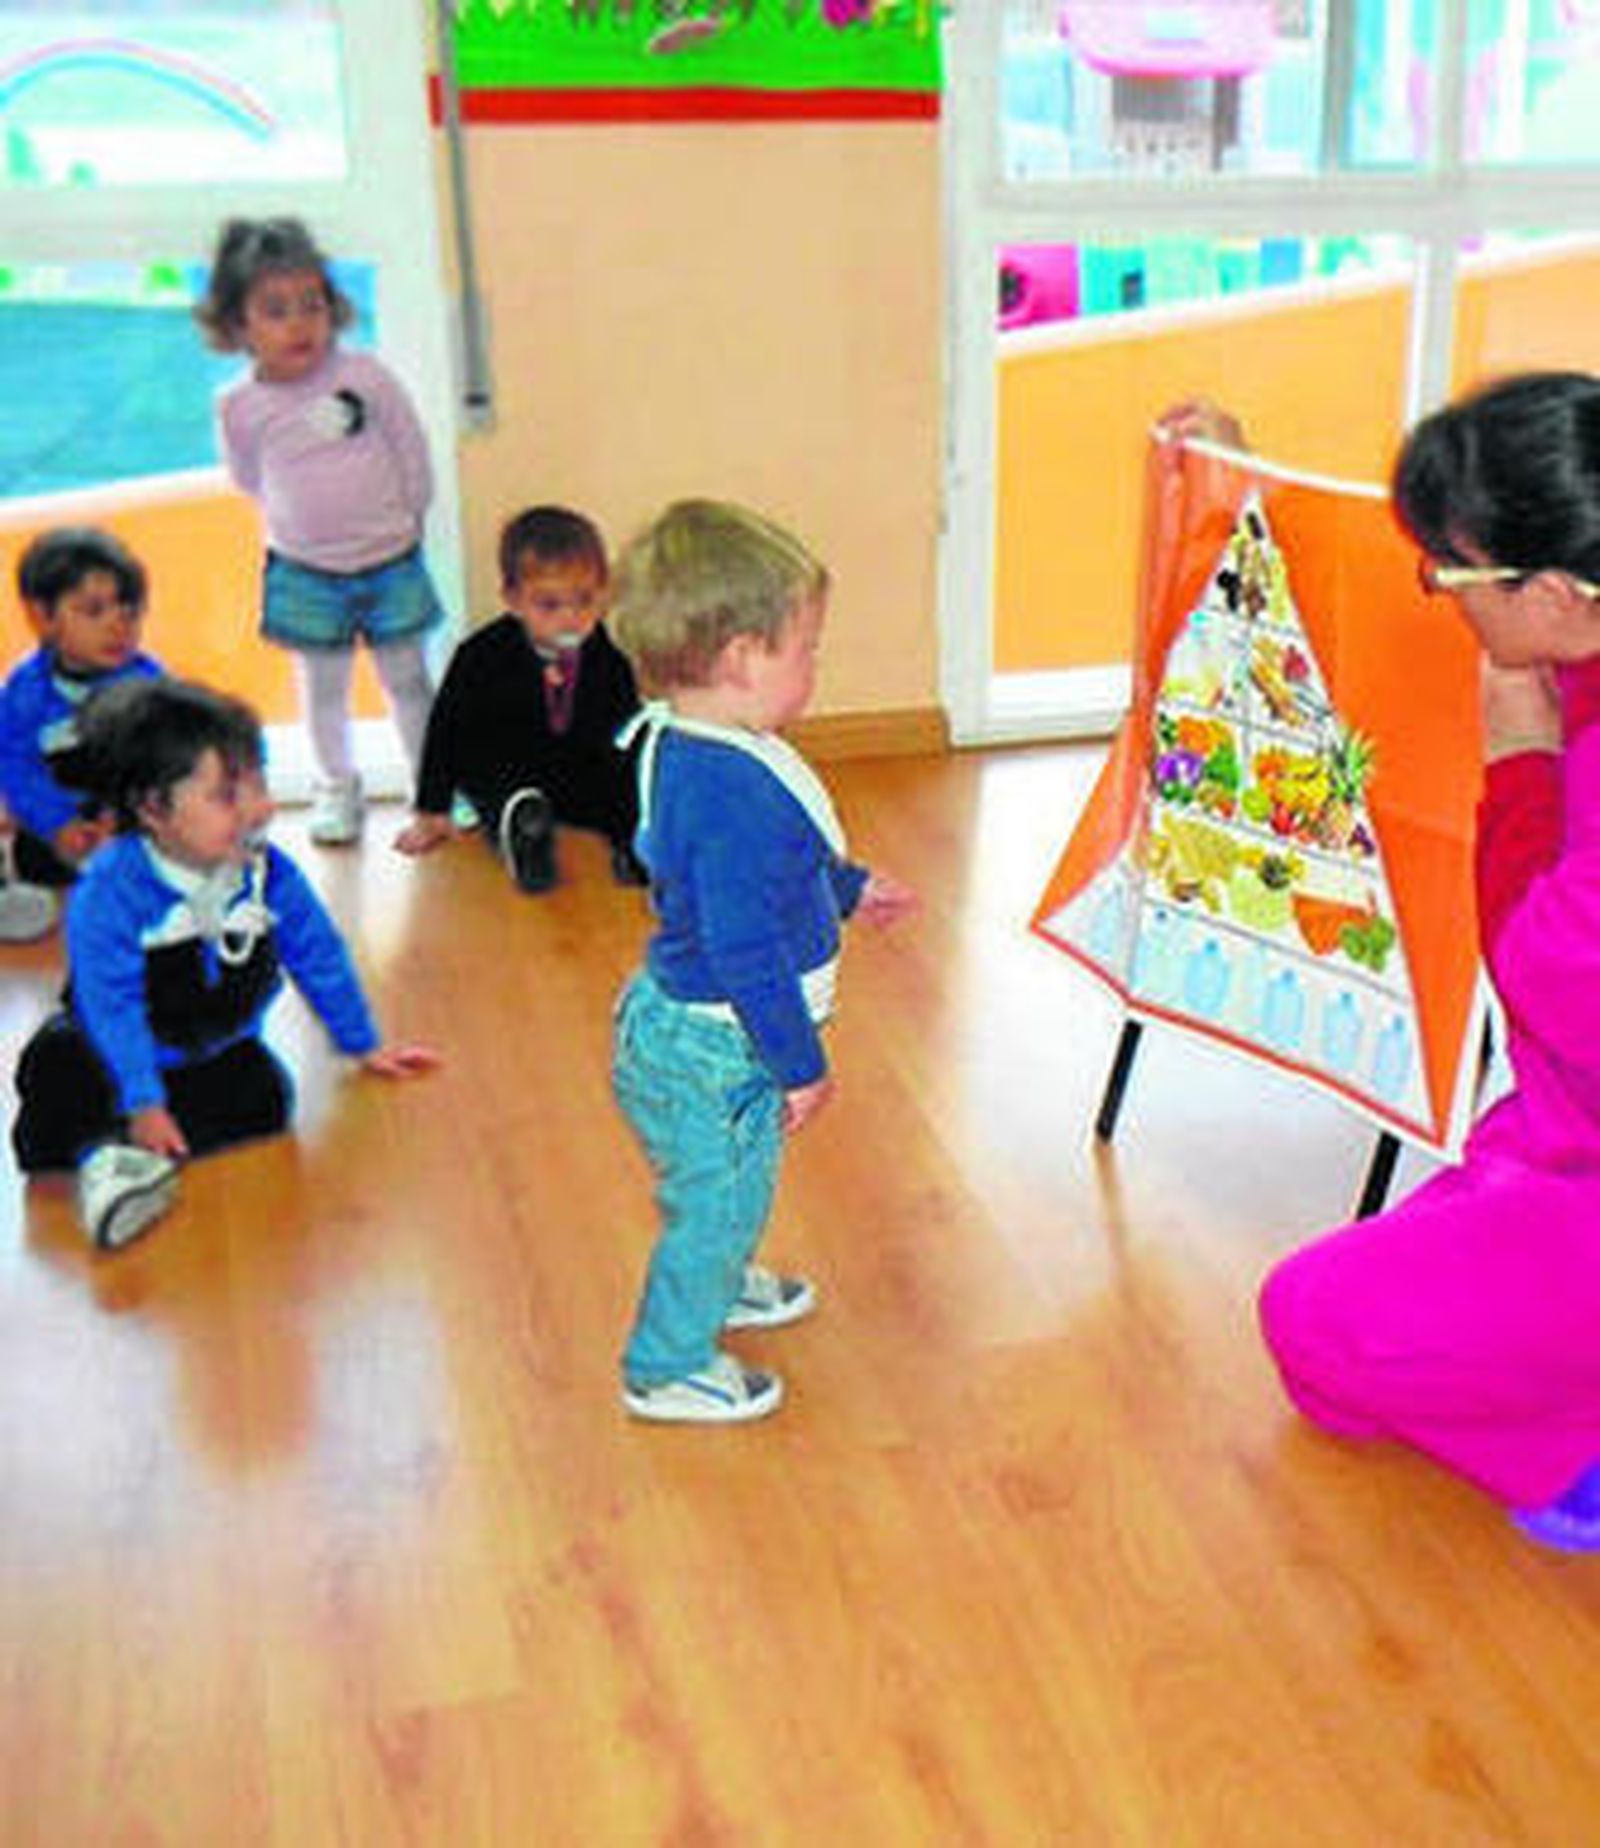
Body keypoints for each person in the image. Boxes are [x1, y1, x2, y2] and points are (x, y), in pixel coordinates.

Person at [1164, 375, 1600, 1552]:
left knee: (1312, 1327)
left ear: (1555, 593)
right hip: (1558, 1138)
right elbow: (1384, 581)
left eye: (1452, 577)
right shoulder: (1568, 619)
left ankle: (1573, 1441)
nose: (1440, 600)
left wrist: (1517, 757)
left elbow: (1555, 977)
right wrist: (1243, 482)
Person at [607, 499, 918, 1423]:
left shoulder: (704, 743)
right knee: (718, 1199)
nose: (817, 665)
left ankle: (718, 1276)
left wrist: (850, 887)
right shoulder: (727, 786)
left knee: (727, 1189)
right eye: (806, 647)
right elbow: (747, 956)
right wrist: (801, 1066)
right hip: (717, 1049)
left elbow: (780, 866)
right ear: (742, 657)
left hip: (681, 1029)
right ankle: (665, 1365)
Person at [11, 677, 440, 1252]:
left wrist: (362, 1043)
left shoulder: (267, 874)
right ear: (155, 809)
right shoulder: (110, 894)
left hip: (211, 1052)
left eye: (258, 785)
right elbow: (110, 1005)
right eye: (227, 795)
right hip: (114, 1054)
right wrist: (142, 1099)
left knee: (264, 1102)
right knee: (55, 1073)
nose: (260, 809)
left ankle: (144, 1157)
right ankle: (105, 1158)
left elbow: (319, 954)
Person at [194, 216, 444, 847]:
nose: (300, 324)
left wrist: (406, 514)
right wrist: (302, 527)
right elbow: (249, 477)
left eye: (312, 305)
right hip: (305, 570)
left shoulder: (365, 376)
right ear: (237, 324)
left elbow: (410, 448)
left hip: (390, 558)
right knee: (324, 687)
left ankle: (434, 786)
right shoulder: (239, 405)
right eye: (276, 310)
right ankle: (338, 785)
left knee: (409, 678)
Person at [393, 505, 645, 892]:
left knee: (624, 795)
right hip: (508, 772)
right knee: (503, 802)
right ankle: (528, 845)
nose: (570, 618)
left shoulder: (608, 657)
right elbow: (447, 731)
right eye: (549, 605)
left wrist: (637, 795)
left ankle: (634, 852)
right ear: (513, 599)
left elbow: (628, 733)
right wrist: (432, 809)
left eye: (584, 600)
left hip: (579, 773)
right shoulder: (481, 655)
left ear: (604, 592)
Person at [0, 526, 163, 887]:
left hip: (130, 818)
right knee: (39, 863)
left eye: (130, 611)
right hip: (60, 824)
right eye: (94, 611)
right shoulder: (25, 692)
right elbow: (16, 768)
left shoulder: (149, 681)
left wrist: (127, 811)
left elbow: (174, 754)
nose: (118, 627)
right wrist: (57, 822)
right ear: (42, 617)